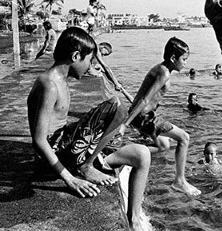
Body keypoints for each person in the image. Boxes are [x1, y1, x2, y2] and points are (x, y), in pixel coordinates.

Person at [27, 27, 151, 230]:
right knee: (116, 107)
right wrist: (69, 179)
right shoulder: (49, 84)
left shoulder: (59, 79)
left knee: (140, 151)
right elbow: (39, 140)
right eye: (89, 61)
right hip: (55, 157)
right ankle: (87, 166)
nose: (90, 67)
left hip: (64, 145)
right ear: (76, 56)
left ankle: (134, 219)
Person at [124, 37, 201, 196]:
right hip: (145, 117)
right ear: (173, 58)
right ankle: (179, 181)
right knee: (184, 138)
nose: (185, 63)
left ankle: (127, 155)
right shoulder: (164, 73)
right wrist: (125, 124)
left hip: (146, 115)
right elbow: (145, 99)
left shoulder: (161, 69)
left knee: (163, 146)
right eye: (184, 59)